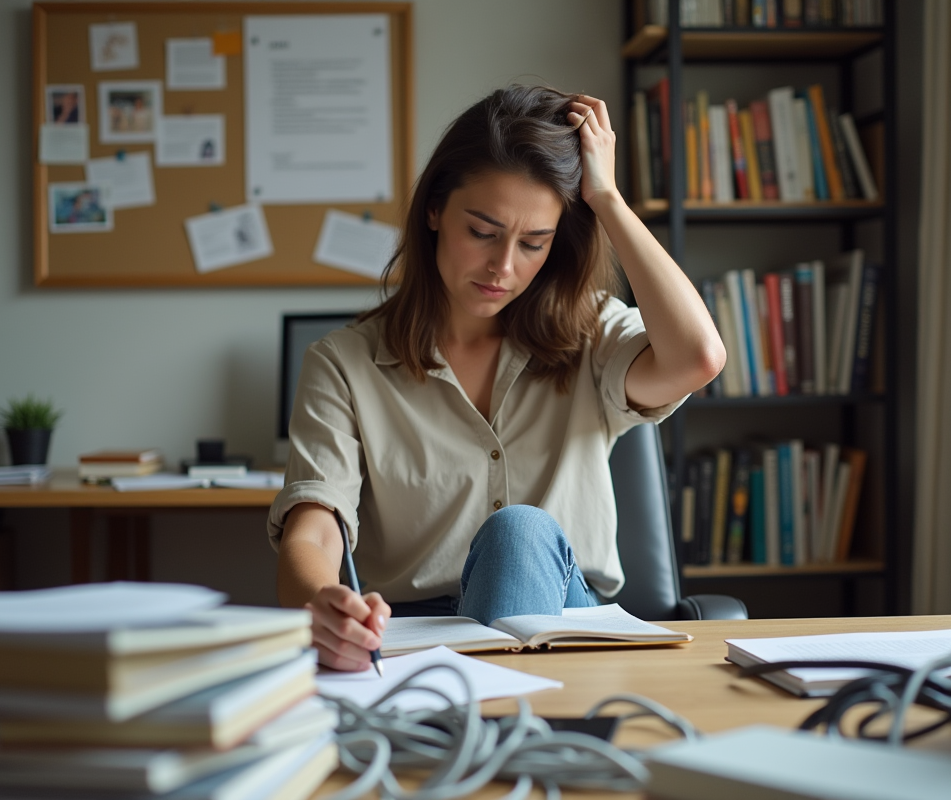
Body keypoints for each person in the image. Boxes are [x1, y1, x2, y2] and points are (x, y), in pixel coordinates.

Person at [269, 85, 726, 672]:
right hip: (418, 640)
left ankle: (488, 739)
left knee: (519, 534)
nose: (503, 268)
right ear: (434, 209)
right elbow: (312, 533)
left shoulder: (591, 333)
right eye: (482, 233)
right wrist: (321, 605)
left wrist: (606, 198)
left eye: (533, 243)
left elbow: (697, 359)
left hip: (564, 628)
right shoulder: (344, 363)